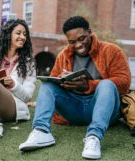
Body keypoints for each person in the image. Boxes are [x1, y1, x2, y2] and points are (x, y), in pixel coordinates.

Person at [19, 16, 131, 160]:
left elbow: (124, 82)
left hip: (105, 111)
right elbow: (54, 80)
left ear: (89, 32)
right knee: (47, 84)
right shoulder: (64, 55)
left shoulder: (112, 51)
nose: (78, 45)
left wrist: (89, 85)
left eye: (81, 38)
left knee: (107, 85)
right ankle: (41, 131)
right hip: (74, 109)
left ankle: (94, 137)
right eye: (72, 42)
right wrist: (63, 81)